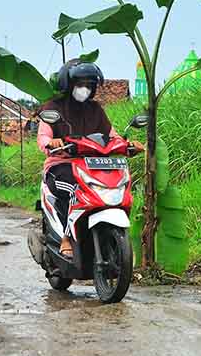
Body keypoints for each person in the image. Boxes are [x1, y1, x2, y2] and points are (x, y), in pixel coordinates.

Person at [36, 60, 143, 258]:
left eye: (89, 84)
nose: (84, 88)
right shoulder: (53, 108)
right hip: (62, 165)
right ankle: (66, 237)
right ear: (68, 84)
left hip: (92, 164)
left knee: (117, 185)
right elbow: (43, 136)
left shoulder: (95, 110)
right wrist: (52, 142)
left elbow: (112, 136)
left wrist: (128, 145)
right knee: (75, 188)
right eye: (80, 83)